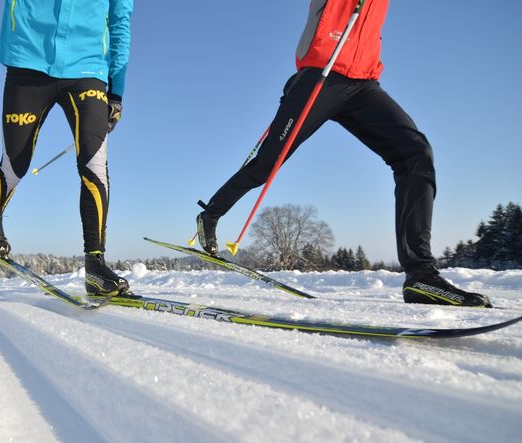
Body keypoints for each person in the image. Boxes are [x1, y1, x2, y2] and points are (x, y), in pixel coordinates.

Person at [195, 0, 491, 307]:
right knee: (268, 163)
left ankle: (421, 277)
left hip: (364, 82)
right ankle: (211, 214)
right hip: (322, 71)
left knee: (415, 153)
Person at [0, 0, 133, 296]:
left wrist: (116, 91)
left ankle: (95, 264)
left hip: (88, 67)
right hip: (28, 59)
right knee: (16, 165)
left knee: (94, 163)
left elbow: (120, 21)